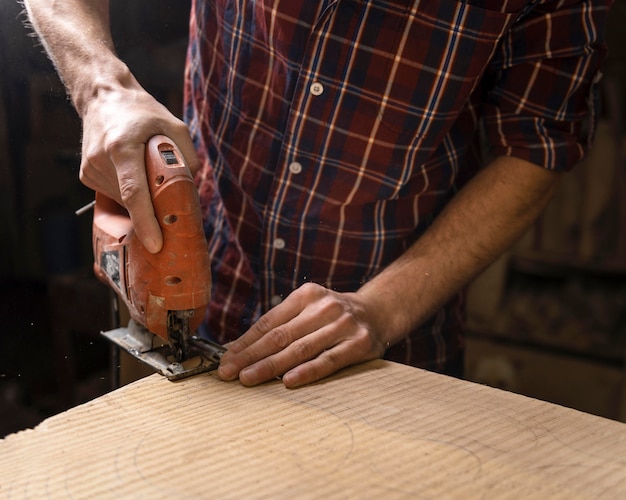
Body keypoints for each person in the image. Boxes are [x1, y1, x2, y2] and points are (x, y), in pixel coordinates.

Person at [24, 0, 613, 388]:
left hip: (382, 345)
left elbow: (538, 143)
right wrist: (101, 87)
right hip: (215, 289)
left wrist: (381, 308)